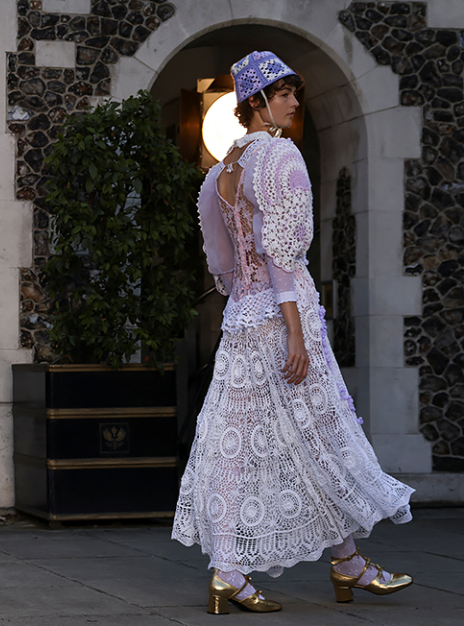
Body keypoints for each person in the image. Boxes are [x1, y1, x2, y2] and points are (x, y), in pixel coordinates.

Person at [172, 51, 414, 614]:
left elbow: (222, 262)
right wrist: (295, 332)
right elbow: (283, 253)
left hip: (243, 319)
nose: (294, 102)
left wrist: (248, 303)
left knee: (238, 445)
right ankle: (344, 563)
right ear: (257, 102)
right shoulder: (280, 156)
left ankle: (233, 571)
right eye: (284, 93)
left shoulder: (219, 173)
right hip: (284, 317)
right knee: (318, 436)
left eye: (293, 92)